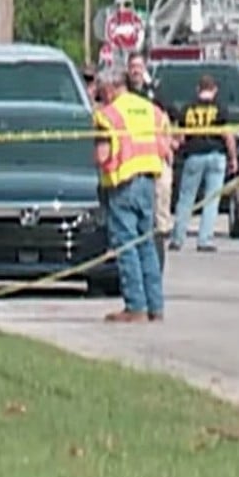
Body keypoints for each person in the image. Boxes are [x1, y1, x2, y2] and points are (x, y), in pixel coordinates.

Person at [93, 67, 171, 323]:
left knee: (126, 246)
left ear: (109, 88)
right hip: (148, 182)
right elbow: (165, 146)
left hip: (123, 185)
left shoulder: (108, 115)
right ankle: (155, 306)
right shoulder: (151, 110)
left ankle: (135, 306)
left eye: (100, 90)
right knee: (146, 244)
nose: (99, 95)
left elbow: (102, 155)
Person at [170, 74, 237, 252]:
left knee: (186, 199)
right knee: (211, 200)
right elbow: (227, 134)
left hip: (194, 155)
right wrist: (234, 158)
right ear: (214, 90)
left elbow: (180, 136)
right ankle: (204, 240)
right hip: (216, 155)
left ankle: (177, 238)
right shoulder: (220, 108)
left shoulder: (187, 109)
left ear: (198, 89)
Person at [125, 53, 175, 270]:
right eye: (133, 67)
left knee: (159, 209)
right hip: (130, 160)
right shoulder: (124, 93)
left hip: (155, 157)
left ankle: (159, 249)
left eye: (139, 66)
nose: (136, 70)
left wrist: (168, 146)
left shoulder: (153, 94)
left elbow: (167, 117)